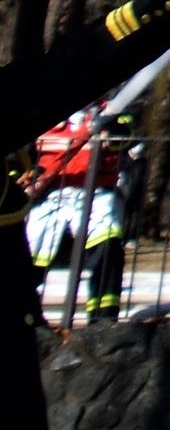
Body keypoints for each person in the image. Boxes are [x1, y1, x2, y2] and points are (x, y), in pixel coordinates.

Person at [24, 107, 130, 322]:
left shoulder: (111, 113)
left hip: (96, 193)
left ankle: (103, 318)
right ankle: (24, 312)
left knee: (107, 246)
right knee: (28, 253)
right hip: (51, 195)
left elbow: (125, 139)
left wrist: (109, 131)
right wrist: (29, 177)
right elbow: (22, 159)